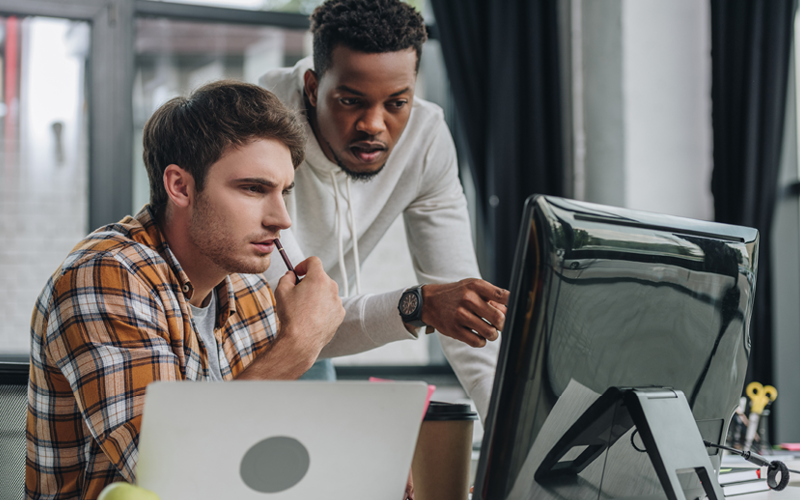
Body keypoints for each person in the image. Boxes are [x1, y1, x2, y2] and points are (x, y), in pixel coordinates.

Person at [26, 81, 346, 499]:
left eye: (283, 192)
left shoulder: (247, 291)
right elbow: (170, 472)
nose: (282, 219)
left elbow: (265, 451)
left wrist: (349, 459)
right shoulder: (105, 276)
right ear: (180, 186)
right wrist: (298, 345)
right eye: (253, 189)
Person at [259, 0, 508, 420]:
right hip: (228, 336)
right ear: (312, 87)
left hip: (315, 341)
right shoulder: (259, 127)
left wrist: (512, 443)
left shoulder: (425, 140)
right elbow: (295, 315)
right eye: (351, 101)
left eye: (397, 103)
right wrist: (418, 305)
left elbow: (465, 313)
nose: (374, 124)